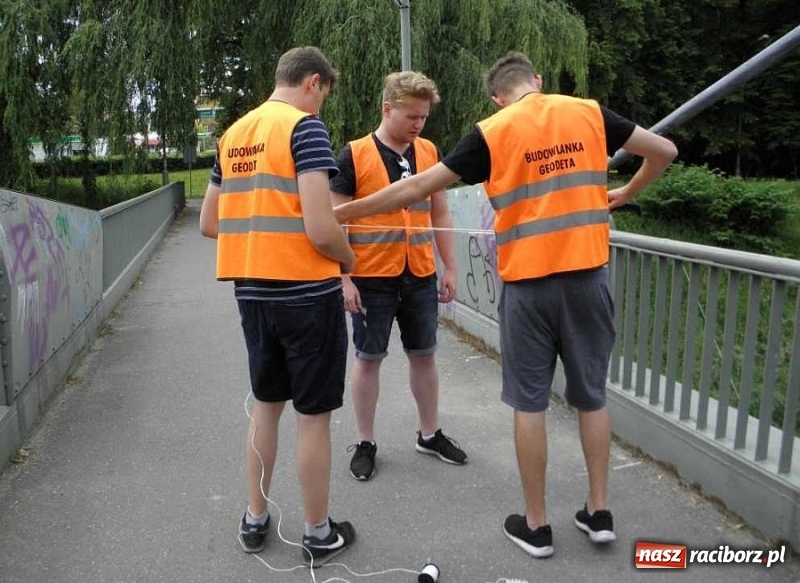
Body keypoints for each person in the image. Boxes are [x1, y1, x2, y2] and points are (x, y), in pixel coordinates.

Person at [334, 51, 678, 558]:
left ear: (497, 96)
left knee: (530, 402)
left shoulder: (492, 132)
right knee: (592, 397)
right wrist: (625, 191)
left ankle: (536, 526)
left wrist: (343, 211)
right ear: (537, 80)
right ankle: (599, 513)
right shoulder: (588, 112)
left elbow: (420, 188)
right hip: (589, 278)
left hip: (529, 288)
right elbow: (664, 150)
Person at [199, 46, 357, 566]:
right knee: (313, 417)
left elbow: (209, 223)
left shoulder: (234, 135)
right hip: (307, 293)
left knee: (266, 406)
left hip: (252, 291)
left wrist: (258, 234)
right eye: (324, 97)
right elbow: (319, 225)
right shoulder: (304, 128)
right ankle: (317, 532)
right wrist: (347, 259)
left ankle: (254, 518)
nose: (321, 109)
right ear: (313, 82)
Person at [330, 71, 467, 482]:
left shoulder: (429, 151)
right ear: (387, 109)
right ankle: (366, 442)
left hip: (420, 271)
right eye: (411, 116)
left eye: (424, 117)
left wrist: (450, 267)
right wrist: (344, 279)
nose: (418, 125)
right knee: (368, 359)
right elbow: (335, 221)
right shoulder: (352, 156)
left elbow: (439, 212)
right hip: (370, 276)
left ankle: (429, 433)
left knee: (424, 354)